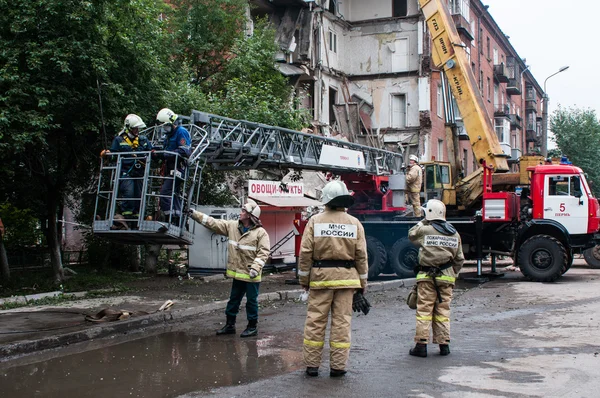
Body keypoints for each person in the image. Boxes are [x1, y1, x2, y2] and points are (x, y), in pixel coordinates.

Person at [298, 180, 368, 378]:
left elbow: (305, 253)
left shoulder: (315, 221)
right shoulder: (355, 223)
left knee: (315, 322)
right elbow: (361, 256)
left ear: (326, 200)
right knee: (342, 324)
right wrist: (363, 283)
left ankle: (312, 366)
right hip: (347, 281)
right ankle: (338, 367)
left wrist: (304, 280)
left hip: (320, 279)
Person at [189, 199, 270, 337]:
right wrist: (193, 214)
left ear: (250, 215)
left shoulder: (261, 233)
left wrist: (255, 268)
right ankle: (230, 325)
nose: (241, 212)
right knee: (233, 300)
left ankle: (252, 327)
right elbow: (213, 223)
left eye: (244, 211)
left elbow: (264, 252)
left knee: (251, 302)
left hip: (251, 275)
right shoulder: (233, 227)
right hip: (238, 273)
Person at [408, 199, 464, 358]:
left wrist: (423, 221)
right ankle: (444, 345)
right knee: (442, 312)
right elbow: (459, 259)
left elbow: (411, 235)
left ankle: (421, 345)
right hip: (446, 278)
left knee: (424, 312)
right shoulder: (454, 233)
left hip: (426, 278)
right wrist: (452, 274)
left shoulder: (425, 229)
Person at [103, 114, 152, 227]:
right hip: (125, 171)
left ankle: (137, 219)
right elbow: (114, 154)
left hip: (140, 172)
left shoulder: (143, 140)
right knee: (129, 193)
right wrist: (108, 154)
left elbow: (151, 152)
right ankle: (126, 217)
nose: (137, 130)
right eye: (135, 128)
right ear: (129, 128)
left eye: (138, 128)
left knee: (140, 194)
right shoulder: (119, 140)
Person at [156, 108, 191, 226]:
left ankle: (169, 218)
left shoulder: (181, 132)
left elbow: (185, 151)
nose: (164, 129)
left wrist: (165, 154)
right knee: (174, 194)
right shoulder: (168, 135)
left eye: (165, 126)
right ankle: (178, 219)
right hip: (169, 168)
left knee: (165, 193)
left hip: (178, 169)